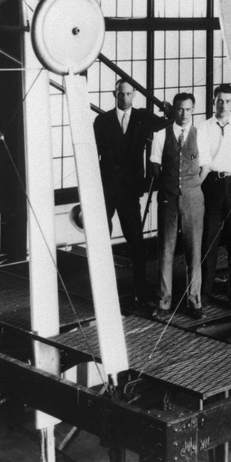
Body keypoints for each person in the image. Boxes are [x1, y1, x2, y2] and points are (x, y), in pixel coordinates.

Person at [93, 78, 168, 299]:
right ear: (114, 94)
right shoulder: (102, 121)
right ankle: (101, 288)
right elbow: (91, 153)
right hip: (106, 189)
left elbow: (168, 126)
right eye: (120, 94)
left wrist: (169, 110)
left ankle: (140, 288)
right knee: (101, 238)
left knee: (135, 239)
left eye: (128, 94)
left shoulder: (143, 117)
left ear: (134, 94)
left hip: (130, 189)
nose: (124, 98)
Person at [149, 92, 209, 320]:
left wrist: (191, 187)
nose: (184, 114)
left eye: (188, 109)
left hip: (194, 199)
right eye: (180, 109)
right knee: (165, 251)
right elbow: (155, 165)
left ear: (193, 110)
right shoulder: (160, 135)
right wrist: (171, 187)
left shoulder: (200, 134)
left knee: (194, 251)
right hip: (168, 200)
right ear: (173, 110)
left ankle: (195, 302)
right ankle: (163, 303)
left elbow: (205, 167)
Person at [198, 83, 231, 307]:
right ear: (214, 101)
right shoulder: (203, 128)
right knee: (209, 241)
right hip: (212, 185)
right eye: (219, 100)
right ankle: (204, 293)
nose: (223, 105)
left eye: (228, 101)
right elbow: (204, 165)